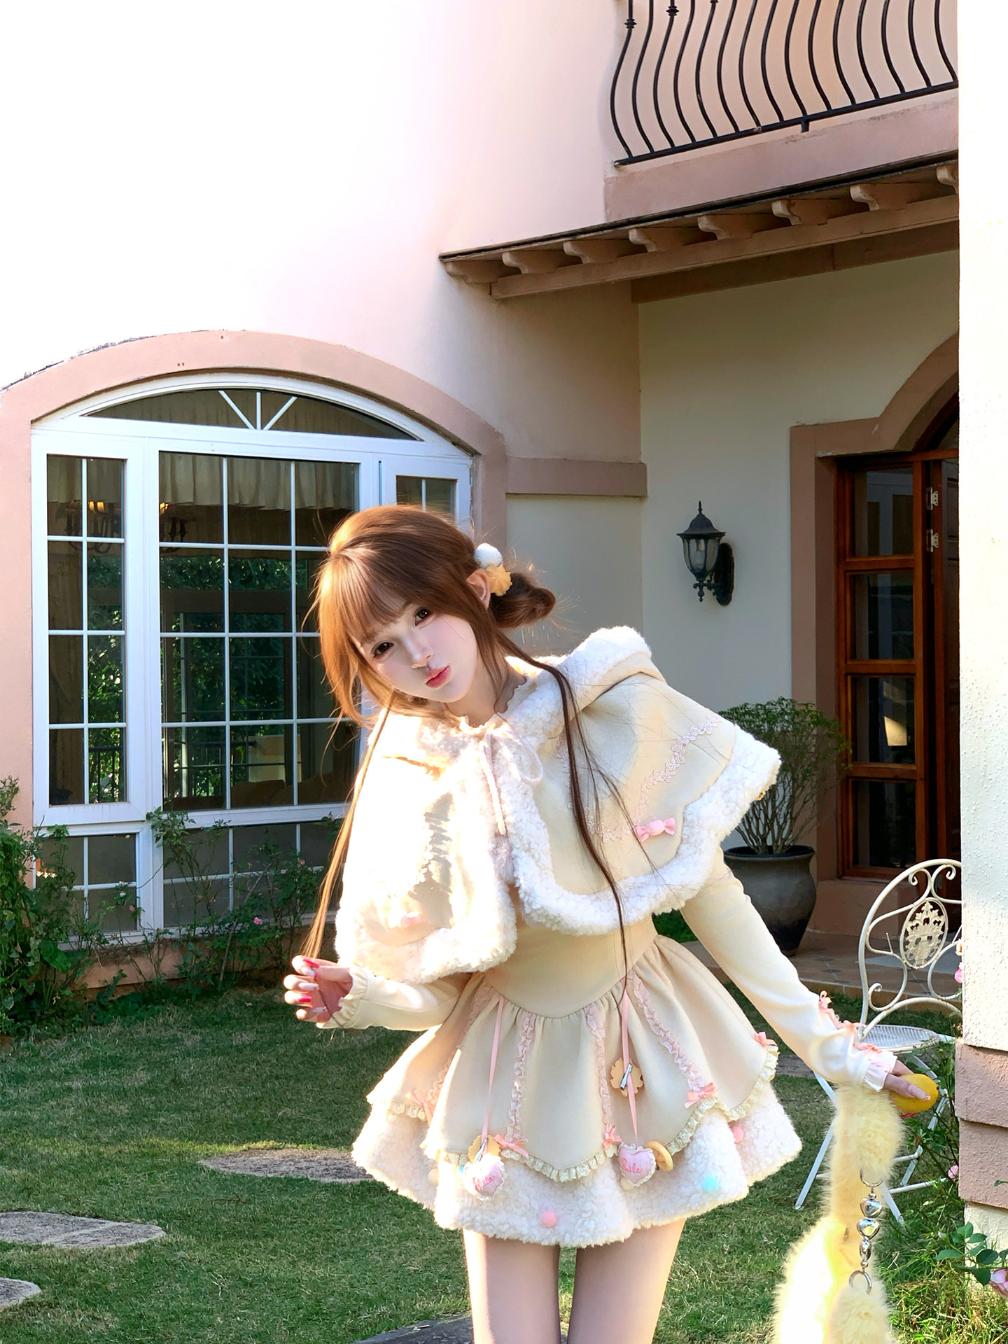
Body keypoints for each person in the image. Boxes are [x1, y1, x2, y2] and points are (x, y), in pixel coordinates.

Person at [282, 504, 928, 1344]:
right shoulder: (410, 768)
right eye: (381, 646)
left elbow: (712, 896)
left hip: (641, 1058)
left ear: (476, 586)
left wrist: (831, 1047)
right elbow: (440, 989)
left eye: (424, 613)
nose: (416, 653)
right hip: (503, 1075)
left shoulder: (605, 706)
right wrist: (360, 994)